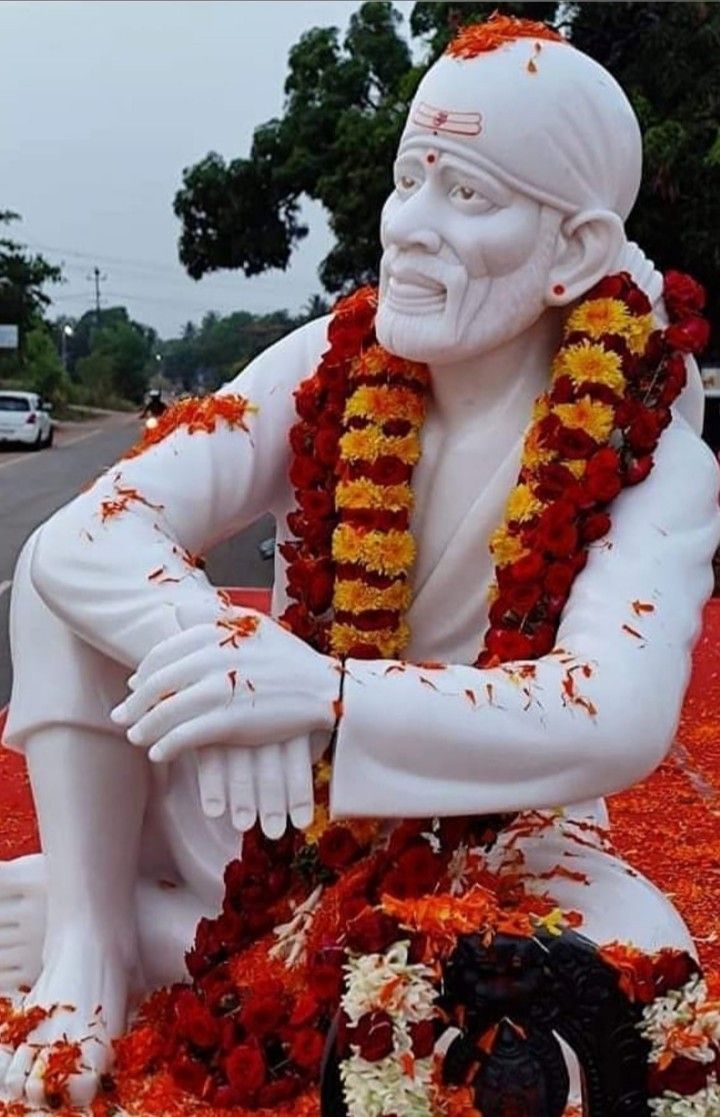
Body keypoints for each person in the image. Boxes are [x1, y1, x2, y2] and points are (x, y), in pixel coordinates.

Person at [0, 15, 718, 1109]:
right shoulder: (329, 359)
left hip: (495, 834)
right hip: (266, 812)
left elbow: (615, 712)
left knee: (633, 966)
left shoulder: (645, 433)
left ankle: (147, 928)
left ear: (573, 251)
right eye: (409, 179)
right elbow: (88, 535)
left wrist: (331, 701)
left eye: (468, 195)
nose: (412, 228)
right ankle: (91, 945)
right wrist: (241, 667)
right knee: (63, 586)